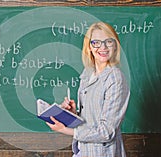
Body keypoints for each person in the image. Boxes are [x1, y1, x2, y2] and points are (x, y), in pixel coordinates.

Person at [46, 22, 130, 157]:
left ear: (115, 46)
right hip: (83, 150)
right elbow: (91, 120)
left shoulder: (114, 78)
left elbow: (106, 132)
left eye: (108, 41)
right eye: (96, 42)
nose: (103, 47)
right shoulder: (87, 73)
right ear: (89, 47)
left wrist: (66, 130)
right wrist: (73, 114)